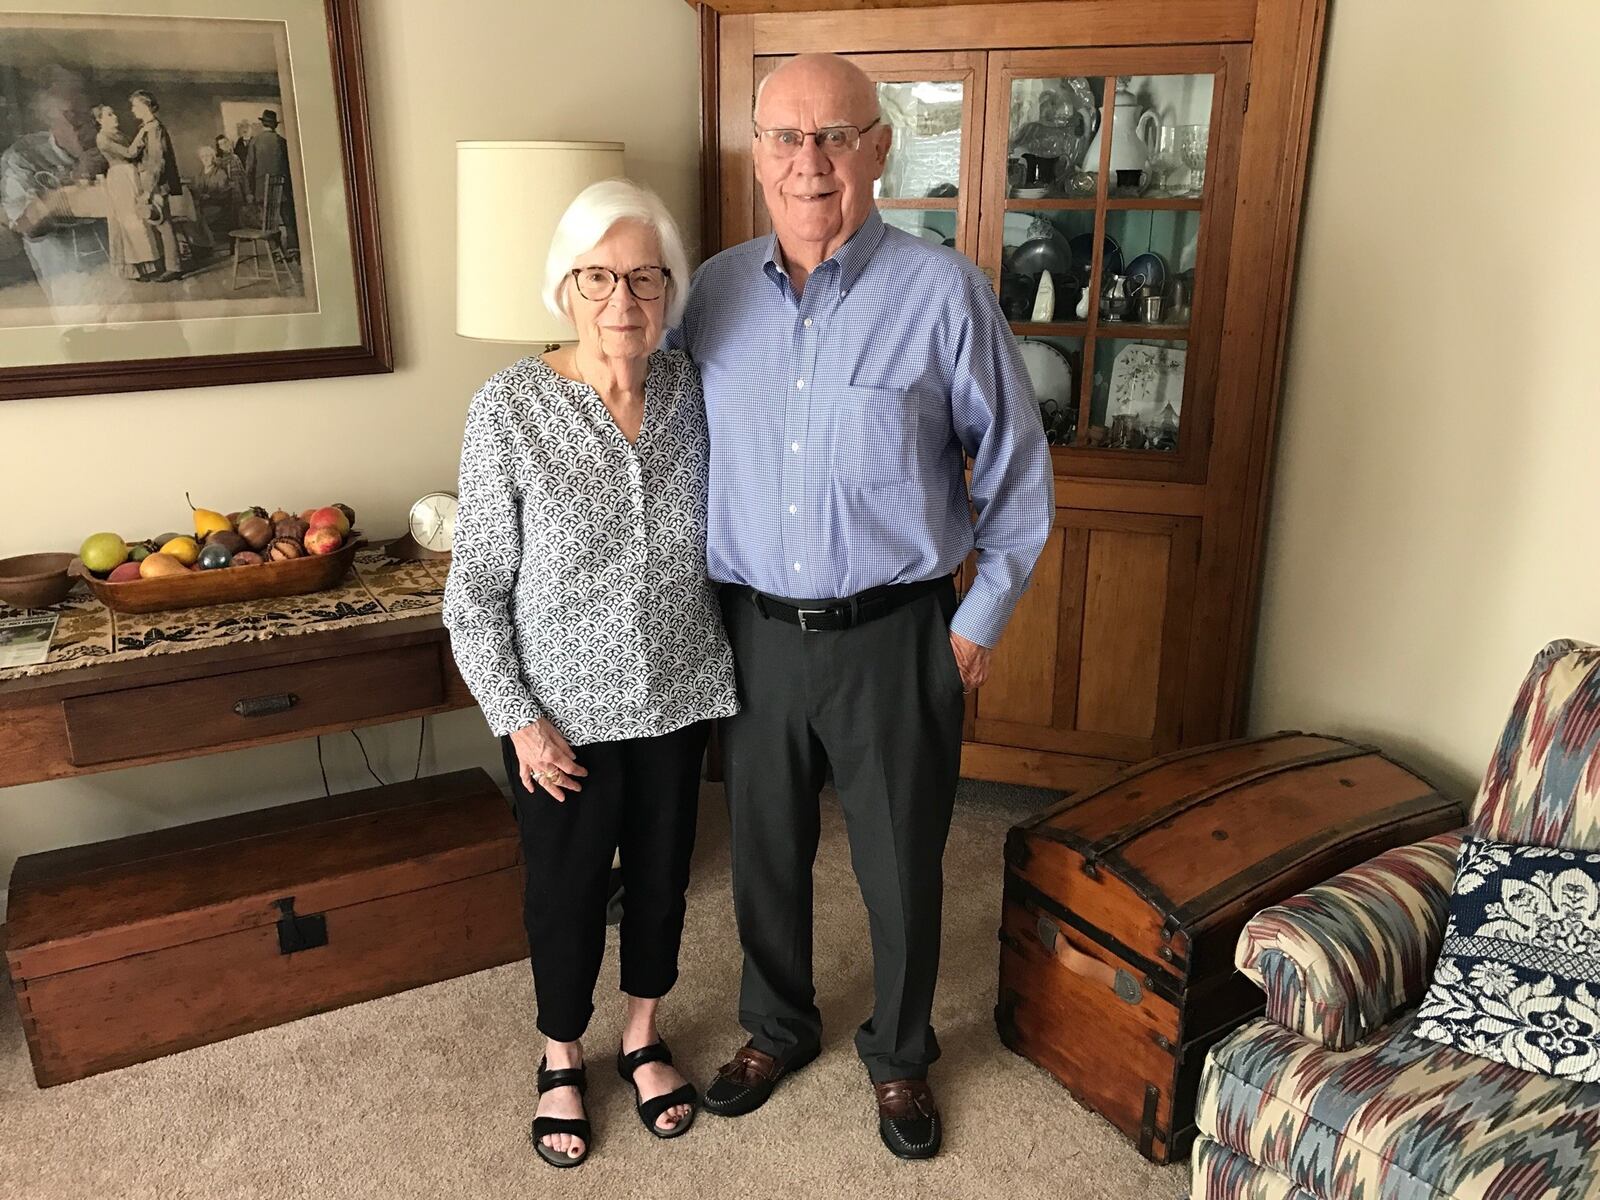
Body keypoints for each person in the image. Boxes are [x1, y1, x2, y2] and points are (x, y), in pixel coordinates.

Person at [671, 52, 1053, 1160]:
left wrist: (979, 619)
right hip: (752, 631)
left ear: (878, 150)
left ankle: (898, 1055)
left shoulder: (945, 293)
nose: (809, 163)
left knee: (898, 862)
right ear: (756, 154)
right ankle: (776, 1026)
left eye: (834, 137)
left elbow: (1016, 472)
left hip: (896, 634)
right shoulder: (713, 293)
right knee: (764, 854)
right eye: (785, 138)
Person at [443, 179, 738, 1170]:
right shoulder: (510, 410)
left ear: (671, 290)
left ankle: (642, 1034)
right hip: (557, 720)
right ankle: (560, 1052)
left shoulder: (696, 391)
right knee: (565, 893)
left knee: (661, 883)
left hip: (679, 696)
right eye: (599, 277)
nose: (623, 302)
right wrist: (519, 719)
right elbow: (474, 588)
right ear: (564, 289)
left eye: (645, 279)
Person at [0, 71, 101, 306]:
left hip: (143, 296)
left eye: (91, 116)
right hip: (81, 306)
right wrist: (77, 180)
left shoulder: (117, 142)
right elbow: (26, 225)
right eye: (73, 117)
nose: (85, 127)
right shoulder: (23, 157)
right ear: (49, 118)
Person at [90, 105, 159, 279]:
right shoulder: (102, 138)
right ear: (100, 120)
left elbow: (137, 156)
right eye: (109, 114)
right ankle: (136, 267)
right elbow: (129, 153)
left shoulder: (121, 135)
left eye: (114, 113)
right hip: (120, 178)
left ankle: (149, 265)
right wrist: (143, 132)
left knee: (141, 216)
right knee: (130, 220)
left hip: (132, 175)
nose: (115, 116)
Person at [126, 89, 182, 281]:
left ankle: (174, 268)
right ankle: (169, 265)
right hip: (151, 182)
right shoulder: (147, 128)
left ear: (145, 106)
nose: (133, 110)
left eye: (135, 106)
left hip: (155, 183)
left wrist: (149, 191)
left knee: (163, 224)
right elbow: (132, 152)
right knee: (159, 224)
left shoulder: (153, 128)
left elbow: (158, 162)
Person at [244, 108, 296, 254]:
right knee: (289, 219)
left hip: (262, 192)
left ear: (263, 124)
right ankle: (294, 249)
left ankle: (276, 250)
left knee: (268, 223)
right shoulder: (282, 142)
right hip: (283, 190)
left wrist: (250, 192)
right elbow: (289, 167)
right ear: (275, 125)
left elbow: (249, 170)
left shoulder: (254, 142)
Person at [191, 143, 241, 249]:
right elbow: (195, 190)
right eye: (203, 157)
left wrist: (210, 196)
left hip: (218, 206)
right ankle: (201, 245)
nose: (205, 159)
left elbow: (224, 192)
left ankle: (206, 245)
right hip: (201, 206)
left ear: (213, 158)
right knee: (190, 218)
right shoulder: (198, 174)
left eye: (208, 156)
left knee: (199, 218)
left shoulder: (220, 173)